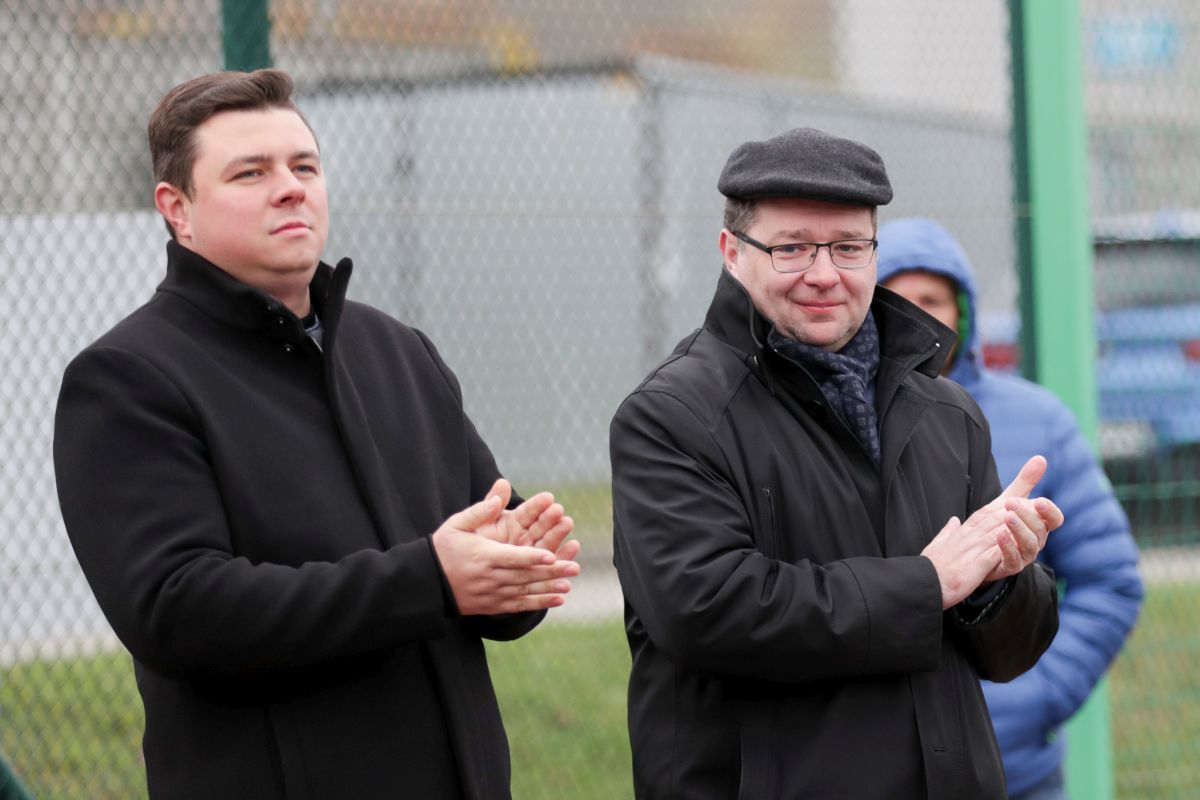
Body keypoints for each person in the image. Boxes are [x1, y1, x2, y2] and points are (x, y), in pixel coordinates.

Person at [53, 69, 581, 800]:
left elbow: (481, 547)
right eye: (251, 172)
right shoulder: (128, 378)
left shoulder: (398, 350)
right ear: (177, 209)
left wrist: (517, 568)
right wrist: (431, 580)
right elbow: (177, 610)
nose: (290, 188)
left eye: (304, 166)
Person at [609, 127, 1065, 799]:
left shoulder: (948, 412)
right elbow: (706, 610)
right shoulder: (670, 416)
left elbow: (1009, 656)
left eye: (849, 247)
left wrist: (999, 583)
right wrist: (926, 585)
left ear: (874, 253)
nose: (824, 274)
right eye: (792, 247)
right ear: (732, 252)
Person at [877, 217, 1144, 800]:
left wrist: (1038, 693)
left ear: (963, 313)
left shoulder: (1038, 420)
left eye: (932, 300)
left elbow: (1110, 578)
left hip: (1016, 772)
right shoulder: (838, 425)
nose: (915, 315)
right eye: (895, 299)